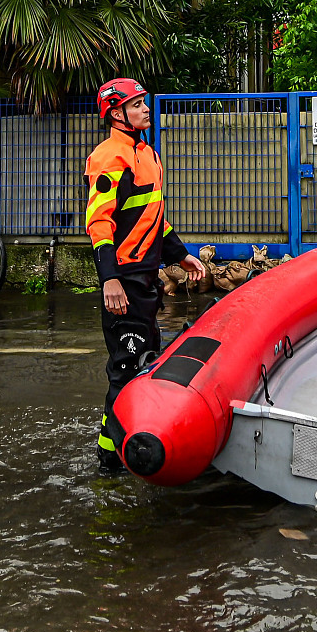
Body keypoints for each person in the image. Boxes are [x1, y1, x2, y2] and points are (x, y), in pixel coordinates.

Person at [86, 77, 205, 473]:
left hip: (146, 277)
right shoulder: (109, 156)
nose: (145, 109)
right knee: (125, 368)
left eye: (144, 103)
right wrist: (110, 279)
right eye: (137, 104)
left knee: (144, 360)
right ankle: (108, 460)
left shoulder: (147, 153)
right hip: (124, 280)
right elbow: (99, 223)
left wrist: (182, 256)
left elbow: (153, 217)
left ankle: (128, 443)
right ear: (116, 113)